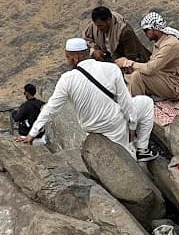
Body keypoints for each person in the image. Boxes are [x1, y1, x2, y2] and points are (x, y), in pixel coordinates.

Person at [17, 38, 156, 161]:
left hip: (92, 129)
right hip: (114, 125)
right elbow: (125, 102)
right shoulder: (111, 68)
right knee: (146, 102)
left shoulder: (67, 79)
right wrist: (132, 126)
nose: (67, 61)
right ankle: (142, 149)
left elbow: (50, 109)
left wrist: (31, 135)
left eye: (67, 57)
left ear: (75, 58)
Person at [120, 12, 179, 101]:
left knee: (137, 76)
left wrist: (127, 63)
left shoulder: (170, 45)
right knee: (129, 75)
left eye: (146, 30)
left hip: (178, 86)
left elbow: (150, 68)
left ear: (155, 28)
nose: (145, 33)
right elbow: (152, 65)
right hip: (167, 77)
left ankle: (135, 108)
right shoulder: (161, 41)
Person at [83, 5, 152, 65]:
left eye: (101, 26)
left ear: (109, 20)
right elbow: (87, 40)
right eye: (97, 26)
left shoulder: (124, 31)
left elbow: (131, 56)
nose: (98, 29)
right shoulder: (94, 27)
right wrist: (94, 51)